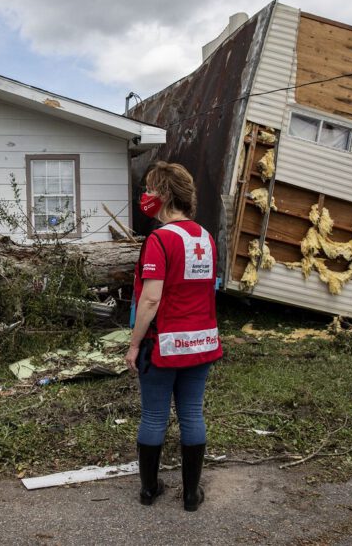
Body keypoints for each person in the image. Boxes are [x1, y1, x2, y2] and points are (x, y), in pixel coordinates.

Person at [125, 160, 223, 511]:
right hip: (202, 342)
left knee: (154, 416)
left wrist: (134, 344)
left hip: (163, 344)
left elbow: (151, 298)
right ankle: (191, 495)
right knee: (192, 414)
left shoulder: (159, 239)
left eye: (150, 189)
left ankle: (149, 490)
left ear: (165, 195)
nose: (146, 196)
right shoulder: (206, 238)